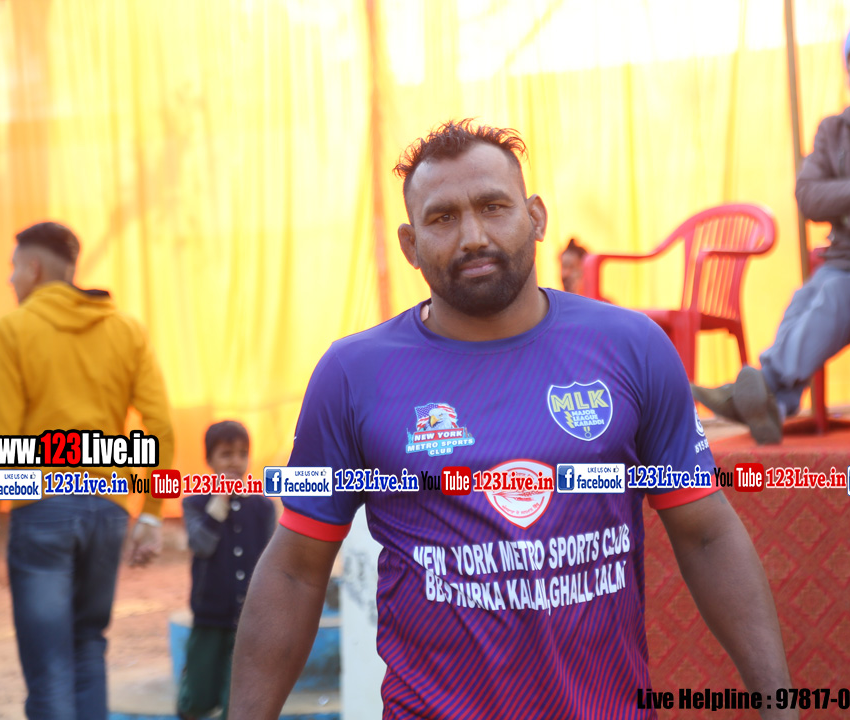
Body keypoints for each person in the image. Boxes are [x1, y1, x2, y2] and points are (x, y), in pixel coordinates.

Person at [229, 120, 795, 719]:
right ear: (410, 245)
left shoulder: (633, 348)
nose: (473, 236)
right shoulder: (352, 375)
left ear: (536, 217)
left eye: (493, 207)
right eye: (442, 218)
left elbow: (707, 534)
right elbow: (295, 570)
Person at [692, 16, 850, 445]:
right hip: (844, 259)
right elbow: (809, 198)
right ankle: (773, 404)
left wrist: (845, 216)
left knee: (833, 295)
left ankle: (760, 391)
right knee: (804, 297)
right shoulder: (834, 128)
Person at [0, 221, 175, 720]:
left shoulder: (12, 330)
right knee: (88, 647)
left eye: (13, 268)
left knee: (48, 669)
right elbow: (160, 426)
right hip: (108, 508)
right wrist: (151, 512)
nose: (10, 280)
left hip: (42, 508)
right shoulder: (125, 329)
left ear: (33, 268)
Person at [178, 421, 275, 720]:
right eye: (226, 454)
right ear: (209, 460)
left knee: (238, 698)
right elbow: (201, 545)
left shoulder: (262, 507)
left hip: (248, 620)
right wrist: (219, 502)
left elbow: (270, 558)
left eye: (242, 454)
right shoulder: (195, 503)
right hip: (209, 615)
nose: (235, 461)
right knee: (198, 695)